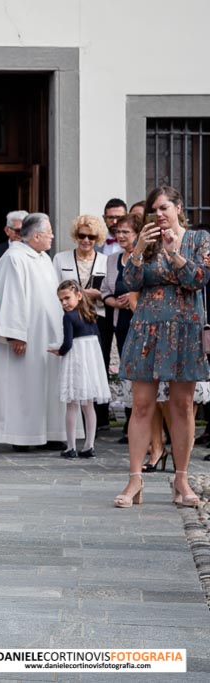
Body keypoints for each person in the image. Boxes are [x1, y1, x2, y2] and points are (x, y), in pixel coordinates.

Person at [115, 186, 210, 508]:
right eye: (154, 210)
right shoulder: (147, 242)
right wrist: (140, 248)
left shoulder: (199, 240)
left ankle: (181, 480)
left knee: (182, 407)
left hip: (185, 330)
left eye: (164, 207)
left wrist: (174, 252)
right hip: (147, 329)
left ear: (179, 208)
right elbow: (129, 282)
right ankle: (134, 481)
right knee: (142, 405)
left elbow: (198, 278)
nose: (159, 214)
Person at [0, 212, 69, 450]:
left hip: (47, 335)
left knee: (45, 384)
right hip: (26, 337)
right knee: (23, 385)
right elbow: (11, 297)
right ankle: (21, 436)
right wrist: (16, 334)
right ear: (36, 235)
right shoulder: (14, 257)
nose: (52, 237)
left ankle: (50, 432)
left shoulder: (43, 257)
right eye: (49, 233)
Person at [52, 215, 111, 431]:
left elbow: (110, 290)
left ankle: (99, 420)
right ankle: (75, 424)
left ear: (98, 238)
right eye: (81, 235)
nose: (86, 240)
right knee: (74, 365)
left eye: (91, 236)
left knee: (98, 364)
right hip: (71, 316)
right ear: (75, 236)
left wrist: (98, 293)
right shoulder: (61, 258)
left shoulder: (106, 261)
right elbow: (55, 286)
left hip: (97, 317)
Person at [49, 280, 111, 459]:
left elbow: (68, 343)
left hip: (75, 360)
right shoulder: (91, 313)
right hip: (90, 360)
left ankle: (71, 446)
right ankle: (89, 445)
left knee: (72, 405)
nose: (64, 303)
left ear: (78, 295)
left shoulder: (68, 317)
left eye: (67, 298)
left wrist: (58, 351)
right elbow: (97, 339)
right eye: (61, 300)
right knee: (88, 405)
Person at [101, 214, 140, 443]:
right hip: (120, 322)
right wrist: (113, 301)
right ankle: (129, 422)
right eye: (118, 232)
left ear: (137, 234)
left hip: (141, 322)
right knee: (126, 372)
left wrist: (135, 298)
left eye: (126, 232)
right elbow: (106, 288)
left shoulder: (145, 258)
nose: (121, 236)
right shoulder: (112, 259)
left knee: (139, 373)